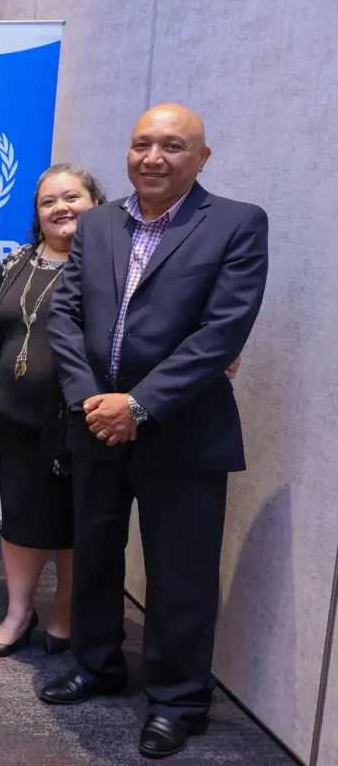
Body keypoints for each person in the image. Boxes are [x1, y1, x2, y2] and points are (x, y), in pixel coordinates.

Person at [44, 104, 269, 759]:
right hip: (94, 428)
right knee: (95, 555)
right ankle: (97, 664)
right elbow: (65, 315)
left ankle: (177, 700)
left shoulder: (235, 223)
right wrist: (92, 401)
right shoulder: (96, 224)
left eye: (173, 146)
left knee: (180, 576)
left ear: (202, 157)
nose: (153, 157)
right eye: (142, 144)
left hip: (183, 433)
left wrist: (137, 405)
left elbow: (221, 332)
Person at [0, 164, 107, 658]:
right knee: (21, 519)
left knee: (72, 522)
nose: (60, 208)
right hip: (14, 420)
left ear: (96, 203)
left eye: (72, 196)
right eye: (48, 201)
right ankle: (18, 613)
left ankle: (64, 613)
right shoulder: (18, 263)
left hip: (76, 419)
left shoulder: (106, 266)